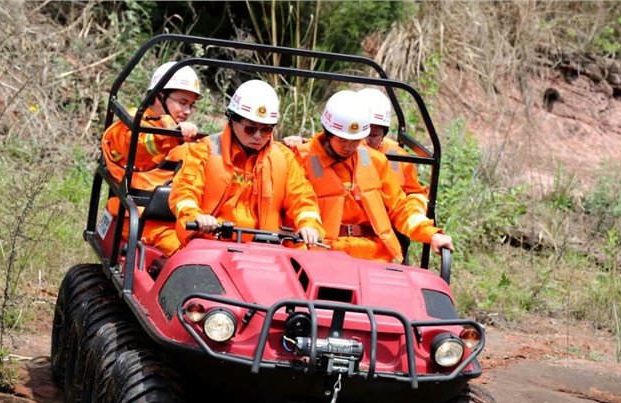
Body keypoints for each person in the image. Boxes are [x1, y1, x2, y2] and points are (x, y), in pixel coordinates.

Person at [288, 90, 453, 263]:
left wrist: (432, 235)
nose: (349, 147)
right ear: (328, 134)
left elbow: (399, 208)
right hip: (323, 253)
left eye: (356, 139)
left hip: (374, 255)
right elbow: (298, 202)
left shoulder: (376, 161)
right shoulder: (299, 158)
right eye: (343, 140)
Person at [169, 79, 324, 249]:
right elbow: (184, 192)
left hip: (267, 251)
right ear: (232, 120)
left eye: (266, 130)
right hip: (211, 246)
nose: (258, 136)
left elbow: (302, 198)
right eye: (250, 129)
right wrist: (196, 216)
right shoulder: (204, 150)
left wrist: (308, 225)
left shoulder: (284, 158)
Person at [101, 62, 202, 255]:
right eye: (182, 102)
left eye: (191, 105)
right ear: (159, 96)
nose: (188, 111)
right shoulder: (129, 125)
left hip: (175, 220)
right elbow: (137, 148)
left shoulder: (179, 136)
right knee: (189, 257)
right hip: (138, 219)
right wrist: (170, 133)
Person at [356, 88, 428, 216]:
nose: (366, 141)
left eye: (373, 135)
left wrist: (416, 211)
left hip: (390, 227)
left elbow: (415, 192)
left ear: (383, 134)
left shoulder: (399, 158)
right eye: (362, 133)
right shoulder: (337, 151)